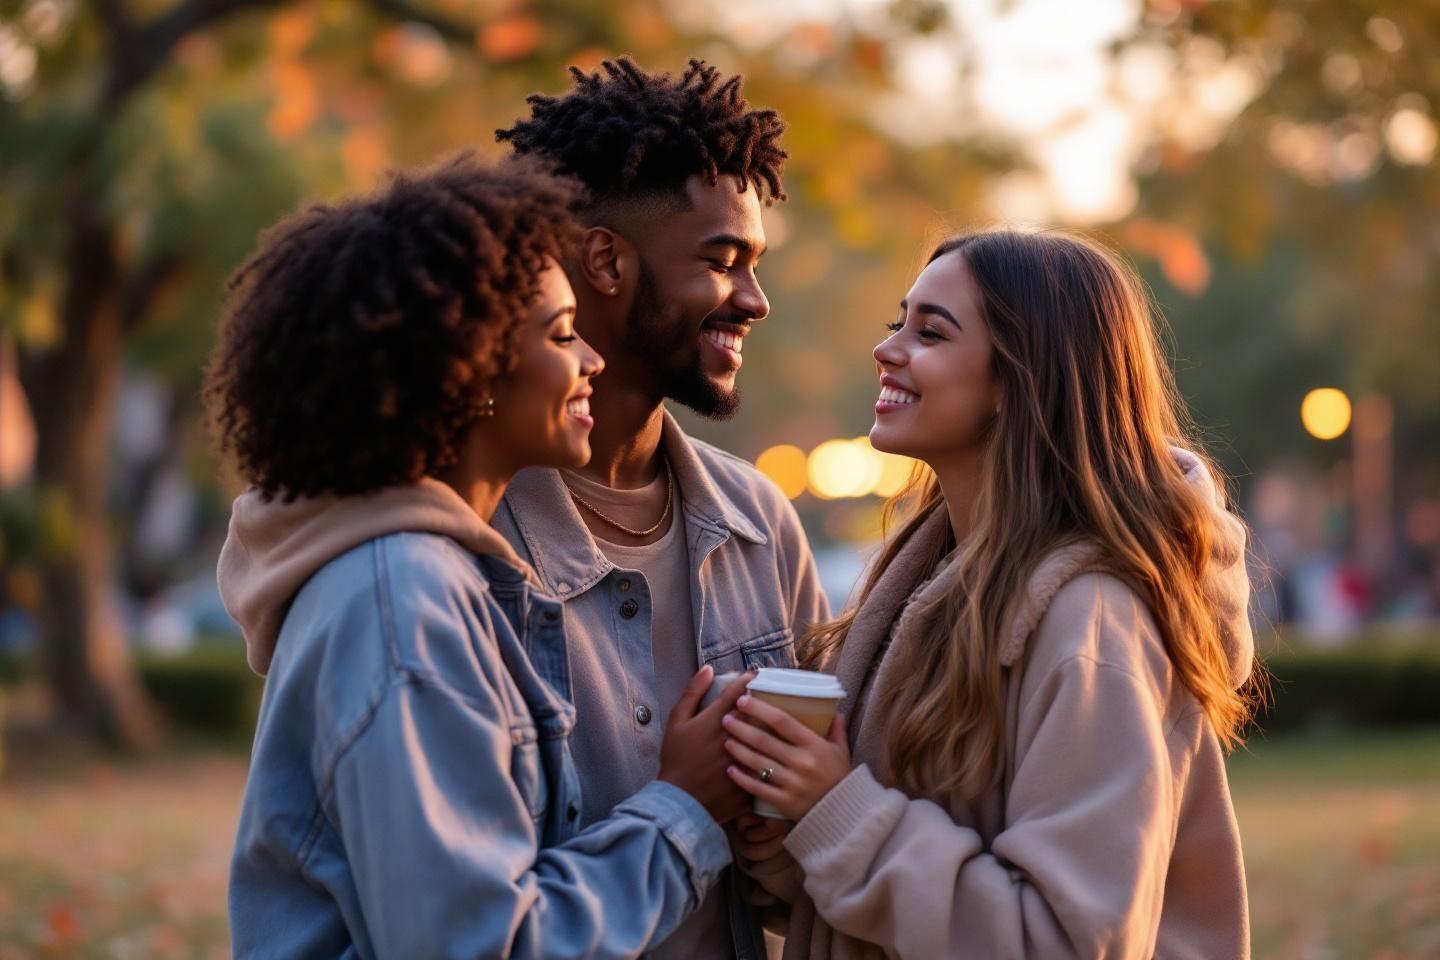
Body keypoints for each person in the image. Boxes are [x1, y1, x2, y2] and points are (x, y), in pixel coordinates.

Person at [210, 152, 753, 959]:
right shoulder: (403, 604)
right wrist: (683, 808)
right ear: (472, 367)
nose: (592, 362)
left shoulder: (438, 579)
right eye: (563, 334)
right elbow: (476, 945)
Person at [722, 229, 1260, 959]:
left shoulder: (1091, 619)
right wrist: (786, 825)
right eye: (897, 324)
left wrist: (835, 810)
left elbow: (1065, 942)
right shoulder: (926, 582)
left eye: (930, 333)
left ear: (1019, 378)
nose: (888, 350)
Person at [495, 58, 829, 960]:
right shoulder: (472, 534)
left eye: (756, 265)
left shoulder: (762, 524)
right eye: (724, 262)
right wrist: (685, 805)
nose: (754, 301)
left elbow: (804, 879)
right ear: (605, 260)